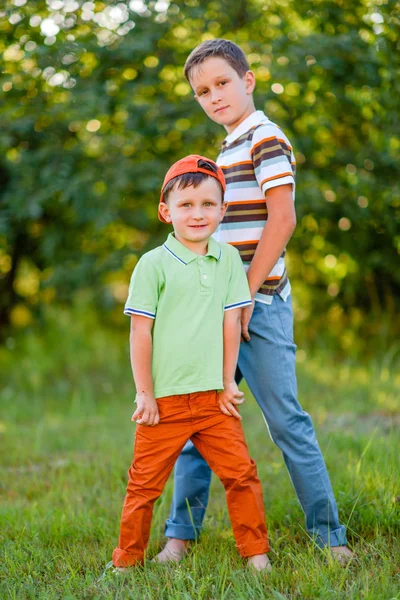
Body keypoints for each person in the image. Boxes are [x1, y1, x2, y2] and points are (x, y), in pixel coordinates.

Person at [156, 39, 354, 565]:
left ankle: (330, 537)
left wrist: (243, 297)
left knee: (286, 422)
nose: (213, 96)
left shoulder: (264, 138)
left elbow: (282, 220)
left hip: (258, 307)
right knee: (200, 423)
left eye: (222, 83)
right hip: (216, 310)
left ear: (248, 81)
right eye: (202, 91)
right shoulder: (223, 151)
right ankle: (180, 537)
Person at [111, 154, 271, 572]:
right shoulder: (153, 265)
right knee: (144, 486)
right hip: (163, 403)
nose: (197, 213)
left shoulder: (229, 261)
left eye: (207, 204)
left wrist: (226, 381)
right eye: (186, 205)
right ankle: (126, 562)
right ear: (166, 212)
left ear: (223, 210)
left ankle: (256, 555)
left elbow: (231, 324)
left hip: (214, 400)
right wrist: (144, 393)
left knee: (242, 476)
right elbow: (139, 332)